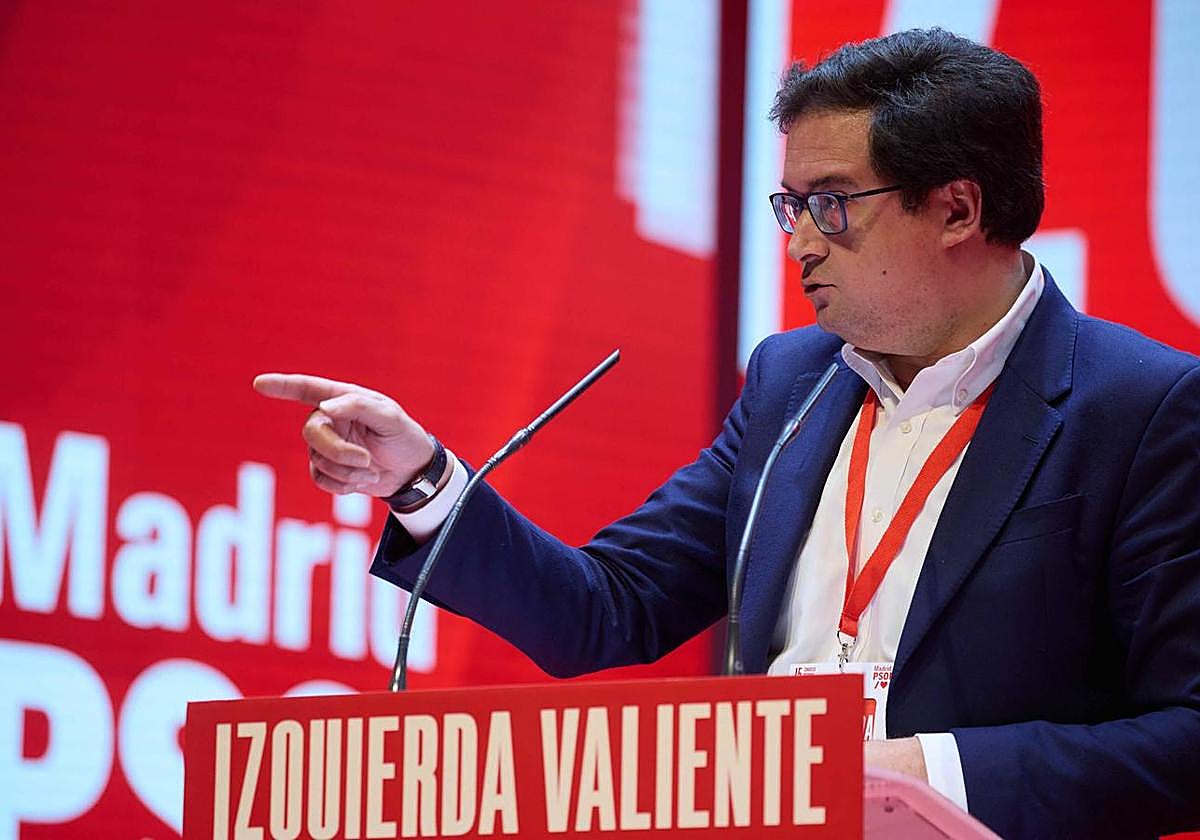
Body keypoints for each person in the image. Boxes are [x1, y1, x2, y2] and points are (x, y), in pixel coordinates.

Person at [255, 29, 1200, 839]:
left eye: (832, 203)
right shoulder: (793, 383)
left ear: (957, 208)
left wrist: (926, 772)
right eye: (791, 206)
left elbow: (1187, 739)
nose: (800, 242)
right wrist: (421, 480)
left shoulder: (1141, 407)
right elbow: (607, 608)